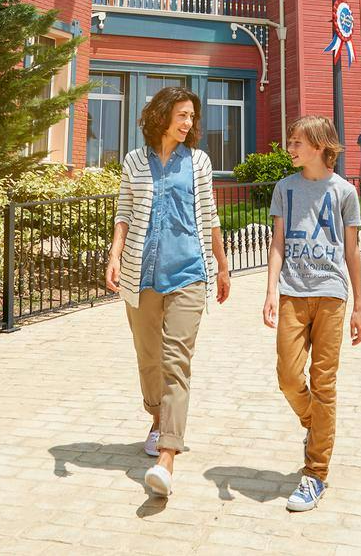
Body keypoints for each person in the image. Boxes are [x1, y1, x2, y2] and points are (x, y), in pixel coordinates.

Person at [106, 86, 232, 498]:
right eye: (182, 115)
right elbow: (123, 211)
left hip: (189, 273)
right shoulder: (134, 161)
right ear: (161, 116)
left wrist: (223, 263)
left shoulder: (198, 162)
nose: (188, 123)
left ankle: (167, 455)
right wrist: (114, 253)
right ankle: (157, 418)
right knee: (149, 359)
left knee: (176, 361)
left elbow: (209, 213)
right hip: (140, 274)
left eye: (192, 117)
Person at [263, 115, 361, 513]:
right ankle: (315, 424)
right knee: (288, 377)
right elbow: (277, 243)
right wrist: (270, 290)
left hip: (332, 296)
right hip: (292, 291)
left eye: (297, 142)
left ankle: (315, 473)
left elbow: (352, 252)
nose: (290, 148)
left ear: (320, 146)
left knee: (324, 384)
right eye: (290, 141)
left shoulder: (344, 192)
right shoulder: (284, 189)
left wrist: (360, 306)